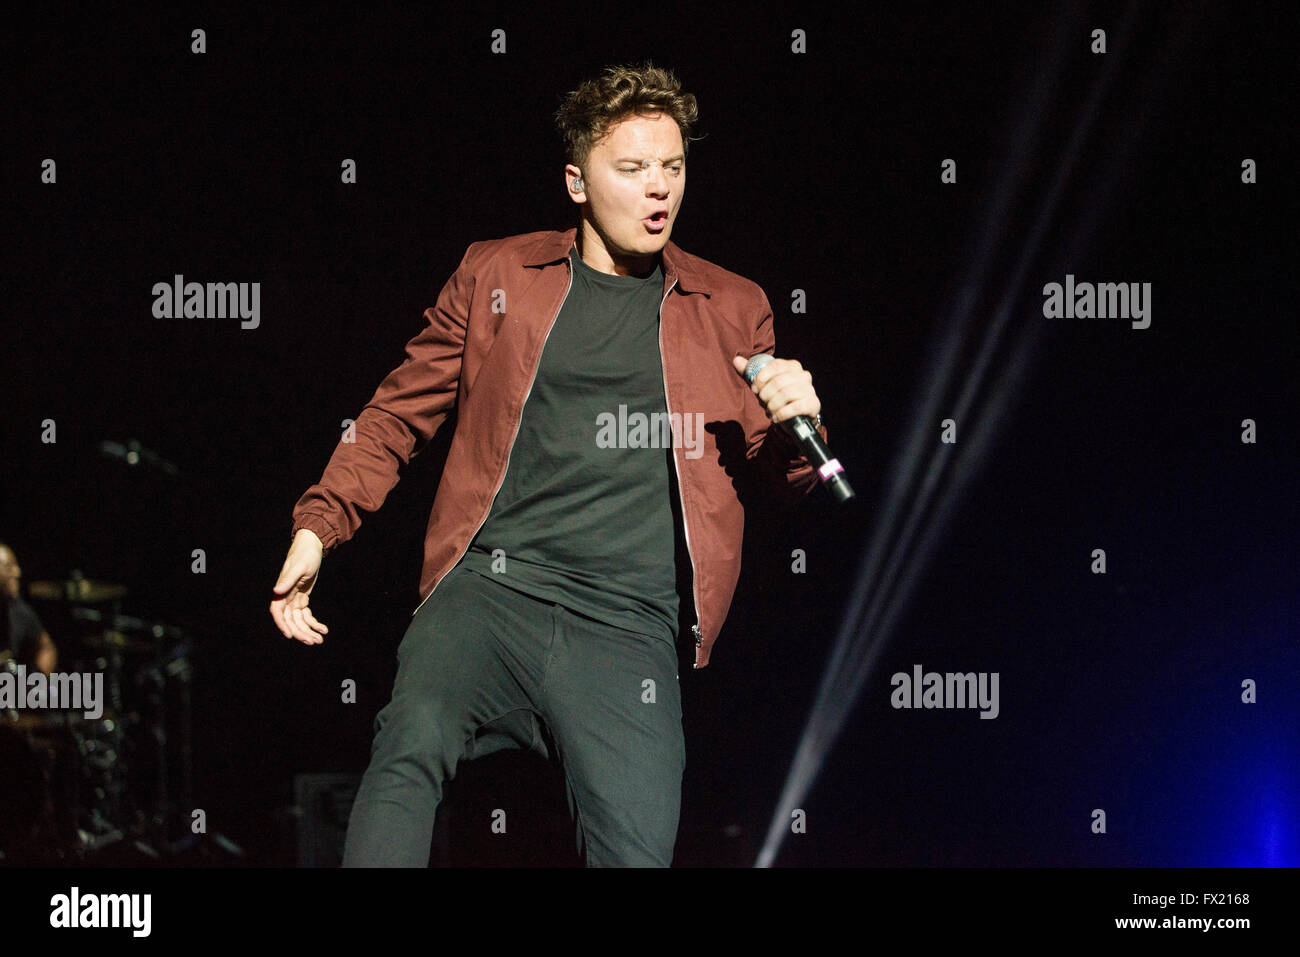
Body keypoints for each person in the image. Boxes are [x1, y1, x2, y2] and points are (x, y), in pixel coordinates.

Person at [269, 62, 830, 867]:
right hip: (494, 588)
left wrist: (798, 424)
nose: (658, 189)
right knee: (409, 742)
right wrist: (320, 526)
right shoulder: (498, 274)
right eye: (631, 170)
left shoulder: (731, 306)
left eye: (671, 167)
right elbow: (396, 413)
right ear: (577, 181)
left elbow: (779, 478)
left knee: (635, 849)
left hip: (630, 623)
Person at [0, 542, 57, 676]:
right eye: (9, 567)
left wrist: (37, 681)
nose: (17, 572)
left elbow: (45, 647)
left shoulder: (18, 610)